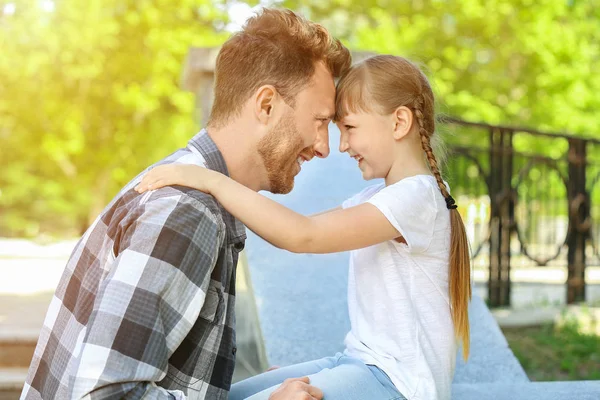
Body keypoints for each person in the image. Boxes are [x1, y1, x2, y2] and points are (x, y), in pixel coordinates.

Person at [21, 8, 351, 400]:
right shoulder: (186, 211)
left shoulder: (196, 191)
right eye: (319, 121)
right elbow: (107, 395)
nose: (324, 147)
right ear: (265, 105)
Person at [136, 54, 472, 400]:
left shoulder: (416, 197)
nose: (342, 146)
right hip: (359, 363)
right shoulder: (381, 197)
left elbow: (303, 234)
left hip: (397, 384)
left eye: (350, 128)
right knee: (228, 396)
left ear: (399, 122)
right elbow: (298, 226)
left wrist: (212, 181)